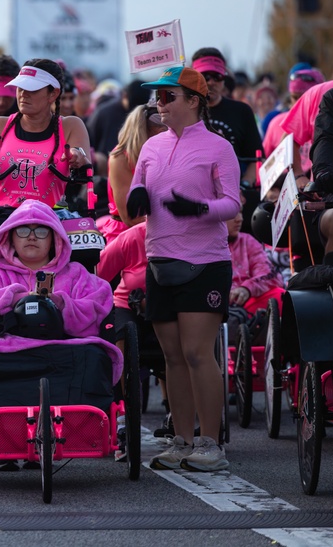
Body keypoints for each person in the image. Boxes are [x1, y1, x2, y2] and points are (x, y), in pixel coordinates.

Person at [126, 65, 240, 472]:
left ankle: (210, 444)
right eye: (156, 96)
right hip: (160, 259)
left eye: (167, 95)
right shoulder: (151, 146)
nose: (159, 103)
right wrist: (136, 196)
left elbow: (233, 203)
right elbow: (137, 185)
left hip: (204, 261)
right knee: (172, 356)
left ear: (194, 101)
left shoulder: (218, 147)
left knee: (196, 352)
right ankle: (181, 441)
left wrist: (199, 209)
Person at [0, 199, 120, 462]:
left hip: (68, 347)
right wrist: (14, 297)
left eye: (41, 231)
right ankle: (3, 432)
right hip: (8, 347)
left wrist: (61, 304)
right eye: (23, 230)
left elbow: (99, 301)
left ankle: (78, 426)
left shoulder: (76, 274)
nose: (32, 237)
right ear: (10, 237)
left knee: (94, 358)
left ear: (55, 238)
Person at [0, 59, 91, 208]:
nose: (23, 94)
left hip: (47, 219)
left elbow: (85, 166)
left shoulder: (71, 126)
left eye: (32, 89)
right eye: (20, 87)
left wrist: (78, 156)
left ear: (53, 94)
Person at [190, 48, 263, 187]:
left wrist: (244, 185)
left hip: (235, 191)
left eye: (217, 76)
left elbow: (256, 159)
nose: (211, 82)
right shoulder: (185, 111)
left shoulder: (242, 111)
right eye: (205, 76)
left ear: (224, 79)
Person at [98, 104, 167, 243]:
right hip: (127, 237)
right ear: (158, 132)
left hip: (160, 233)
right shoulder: (121, 158)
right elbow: (131, 217)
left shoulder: (165, 153)